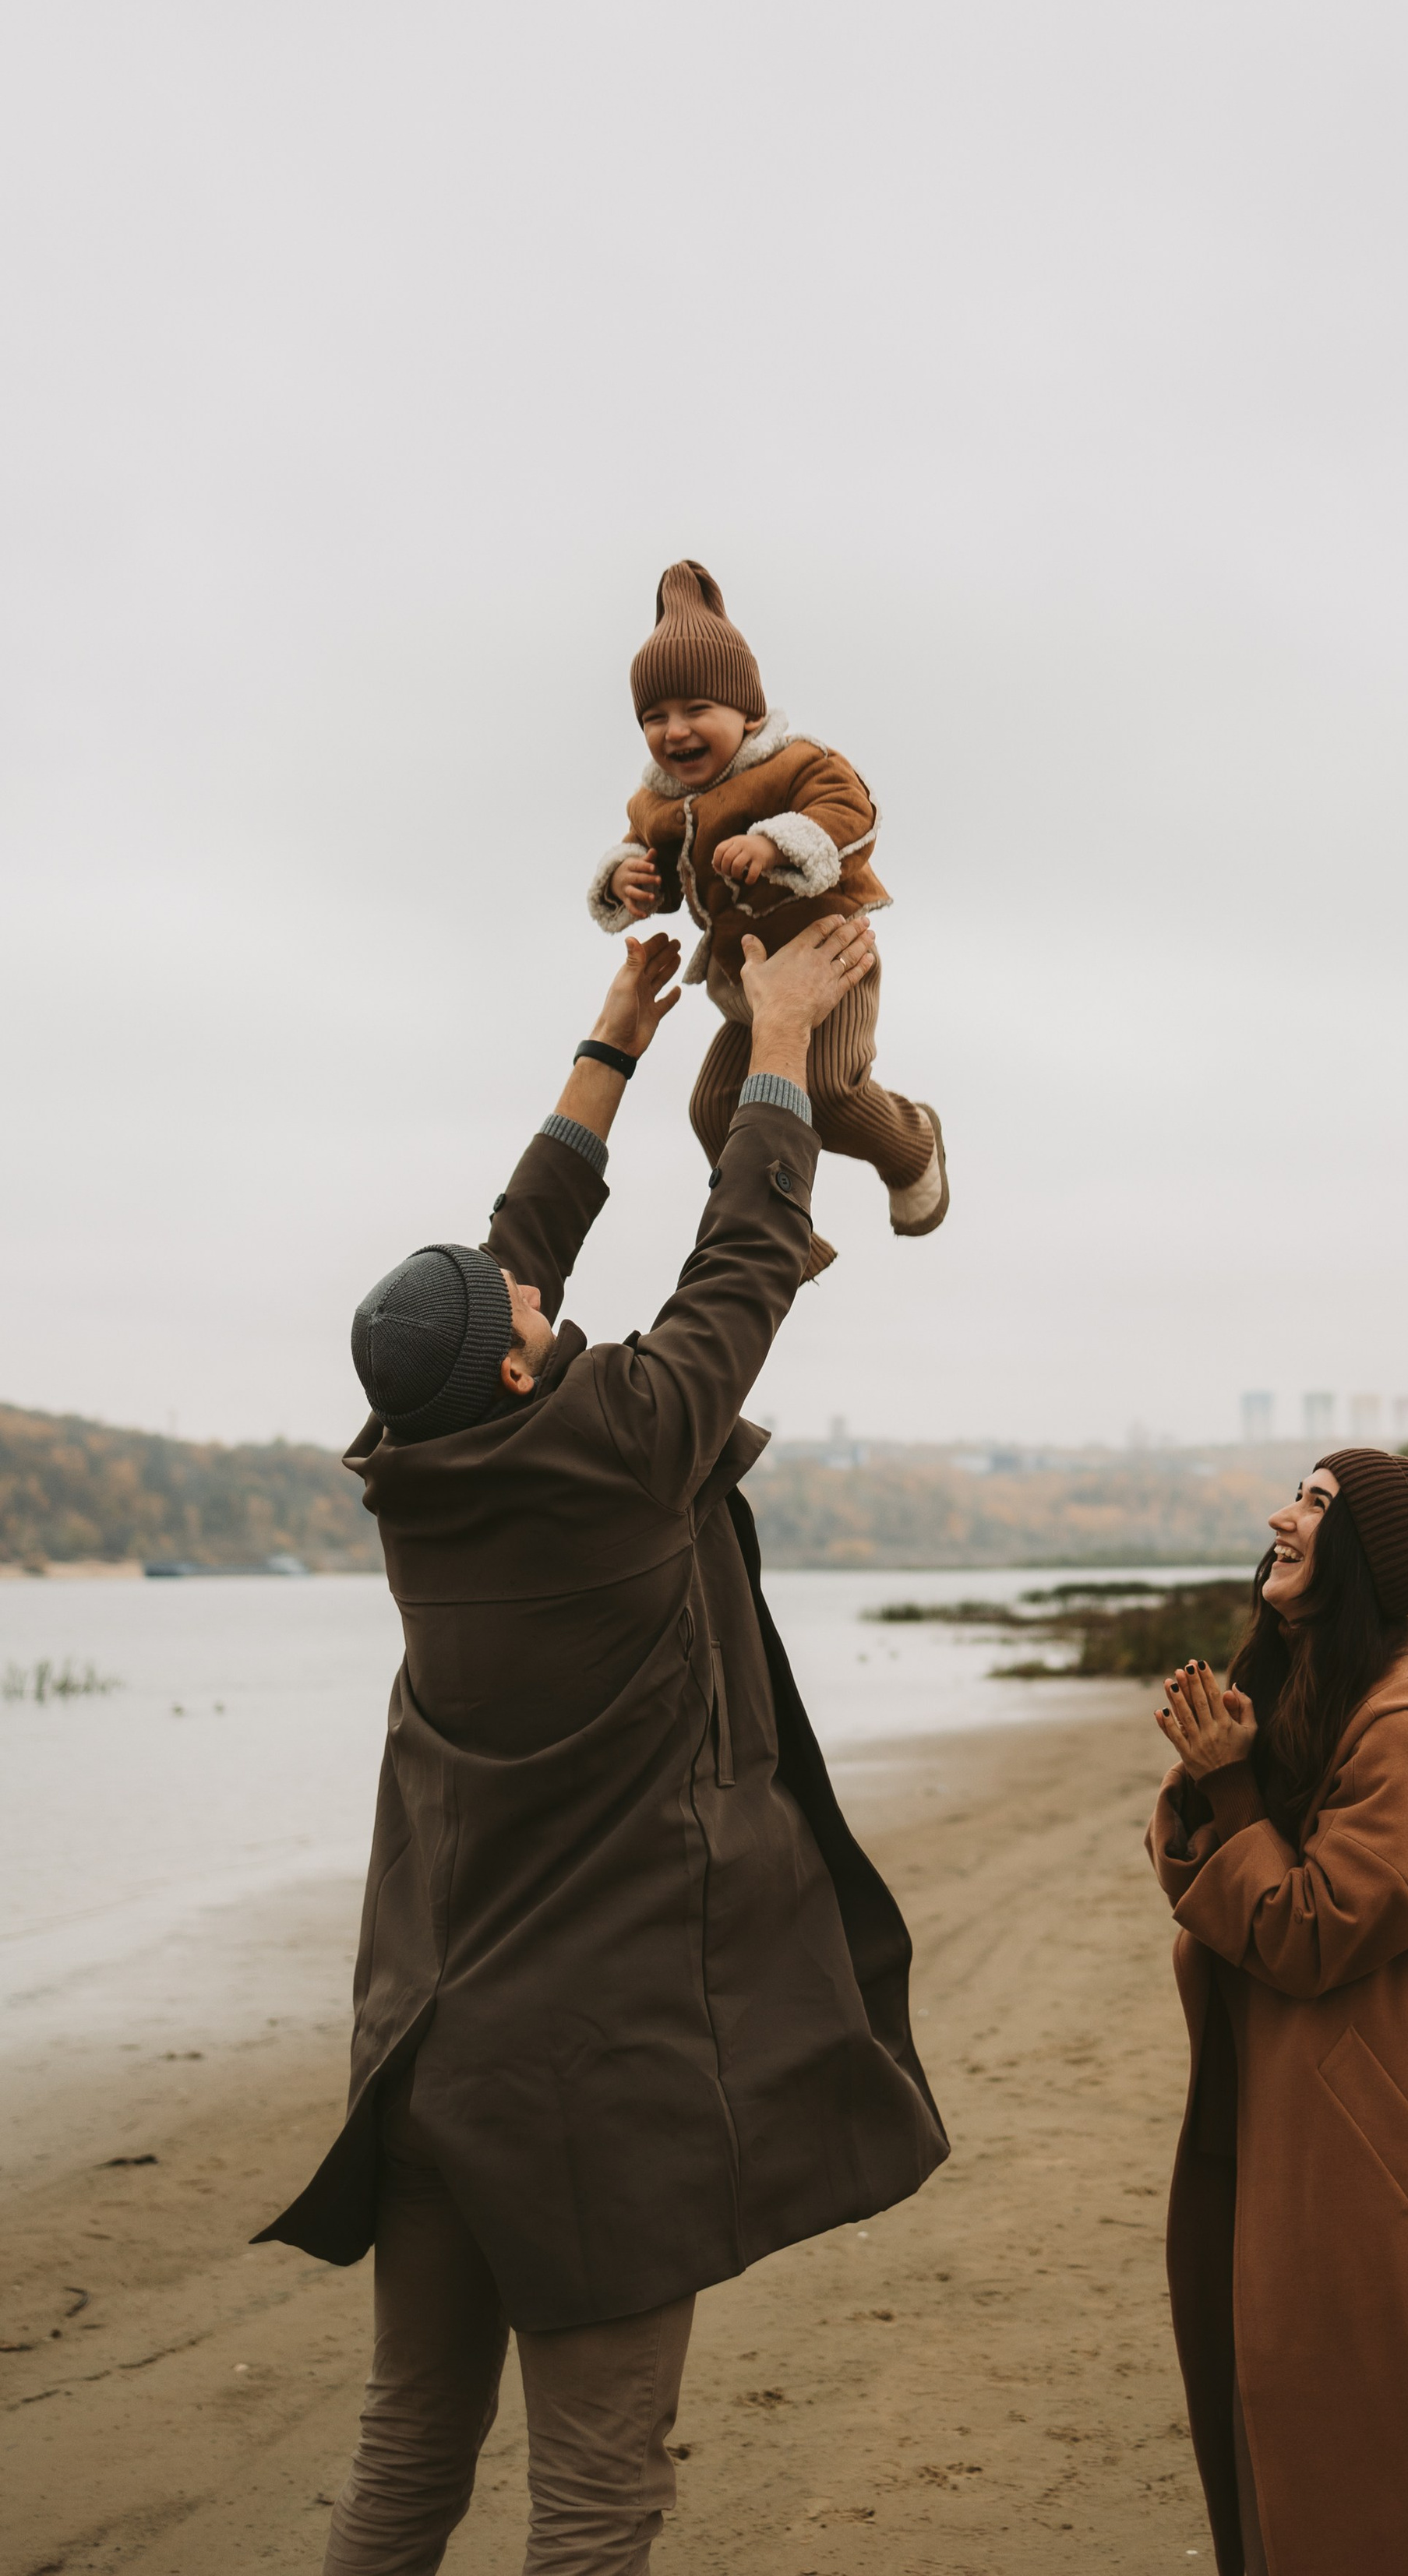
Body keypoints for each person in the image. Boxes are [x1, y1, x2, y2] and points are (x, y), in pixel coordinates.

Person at [258, 909, 949, 2576]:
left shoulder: (413, 1476)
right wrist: (775, 1037)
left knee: (407, 2456)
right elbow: (744, 1254)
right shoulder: (628, 1445)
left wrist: (619, 1029)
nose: (523, 1273)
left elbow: (519, 1244)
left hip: (425, 2068)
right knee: (592, 2498)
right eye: (512, 1298)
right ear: (511, 1357)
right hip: (581, 2104)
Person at [1149, 1450, 1408, 2576]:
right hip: (1294, 2130)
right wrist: (1213, 1775)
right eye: (1300, 1494)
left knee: (1399, 2439)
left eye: (1317, 1506)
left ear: (1364, 1556)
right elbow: (1211, 1876)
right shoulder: (1310, 1699)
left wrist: (1230, 1786)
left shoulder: (1404, 1734)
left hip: (1384, 2154)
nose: (1281, 1516)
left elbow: (1309, 1928)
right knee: (1284, 2409)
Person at [587, 557, 947, 1255]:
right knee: (715, 1107)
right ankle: (783, 1236)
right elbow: (653, 861)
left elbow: (855, 813)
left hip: (827, 962)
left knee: (827, 1089)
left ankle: (912, 1146)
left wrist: (778, 844)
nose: (676, 731)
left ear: (747, 712)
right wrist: (627, 882)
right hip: (748, 987)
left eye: (698, 710)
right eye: (655, 717)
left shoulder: (791, 763)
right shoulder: (655, 802)